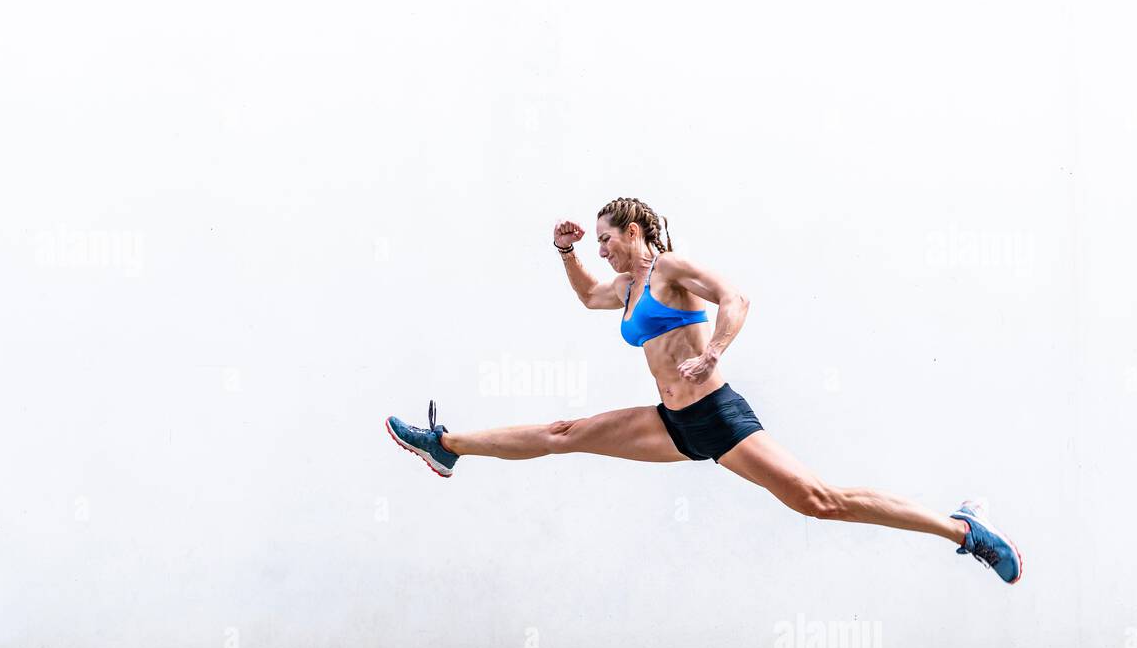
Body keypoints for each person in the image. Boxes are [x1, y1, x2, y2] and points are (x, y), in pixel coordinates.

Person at [386, 196, 1022, 584]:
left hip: (718, 415)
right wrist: (564, 253)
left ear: (634, 231)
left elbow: (736, 297)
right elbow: (586, 296)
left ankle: (962, 529)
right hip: (671, 422)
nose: (600, 246)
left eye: (604, 237)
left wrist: (714, 349)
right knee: (566, 434)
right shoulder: (628, 290)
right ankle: (448, 446)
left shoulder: (671, 271)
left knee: (819, 501)